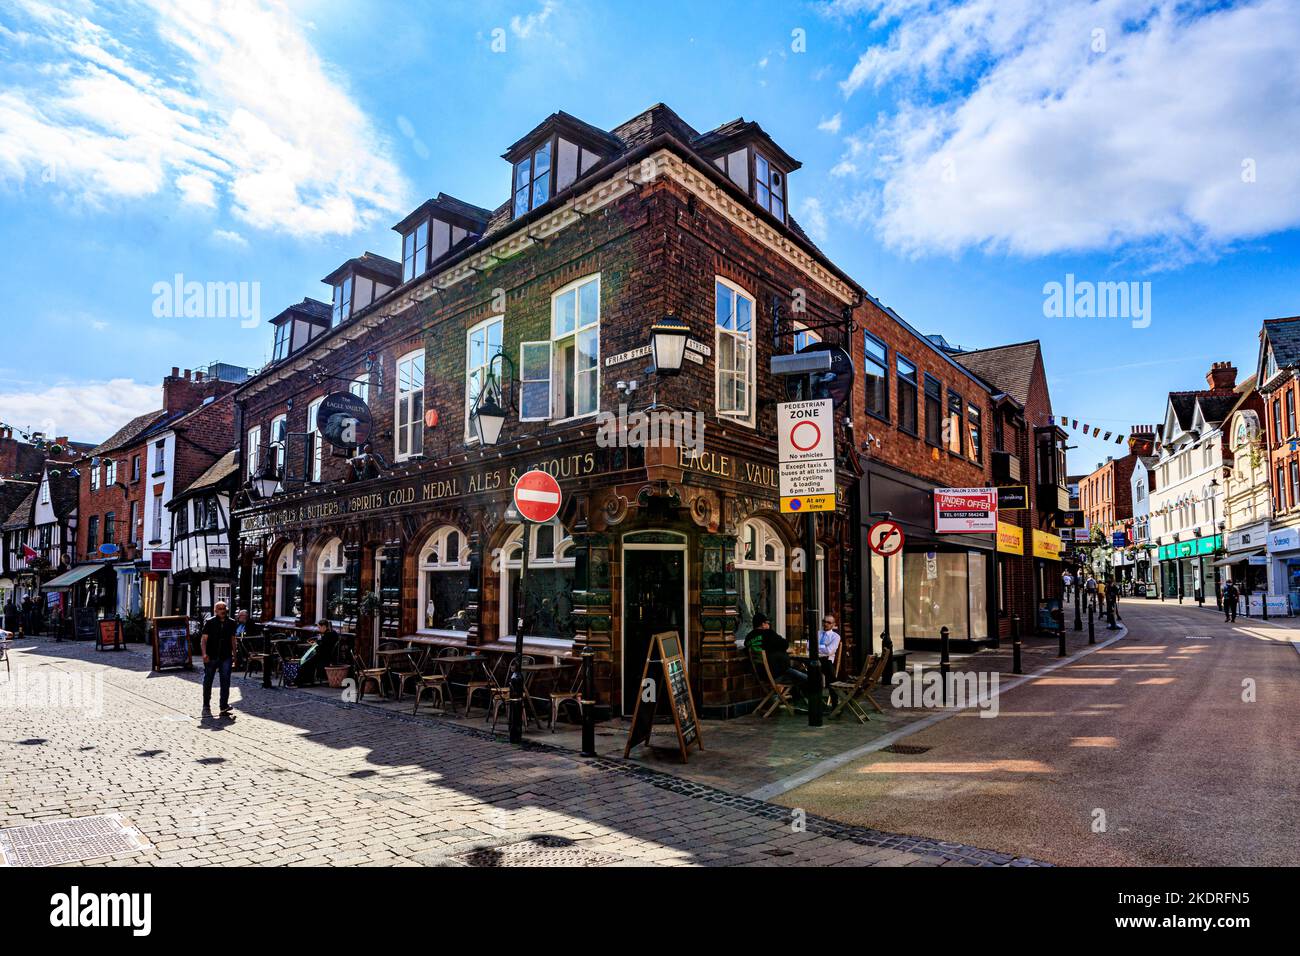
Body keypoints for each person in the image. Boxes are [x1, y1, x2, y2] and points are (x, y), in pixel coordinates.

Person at [745, 612, 808, 701]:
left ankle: (797, 699)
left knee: (798, 670)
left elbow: (766, 647)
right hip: (778, 675)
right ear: (763, 624)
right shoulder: (768, 633)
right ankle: (813, 704)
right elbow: (784, 644)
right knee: (810, 677)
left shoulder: (748, 637)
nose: (769, 625)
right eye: (767, 623)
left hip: (762, 674)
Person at [200, 601, 238, 718]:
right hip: (211, 655)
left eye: (224, 608)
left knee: (225, 681)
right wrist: (204, 654)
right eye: (220, 608)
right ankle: (206, 705)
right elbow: (204, 639)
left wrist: (234, 655)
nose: (222, 610)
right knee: (208, 680)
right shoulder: (210, 622)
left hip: (225, 655)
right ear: (215, 611)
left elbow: (233, 639)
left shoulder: (231, 623)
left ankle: (224, 706)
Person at [297, 620, 339, 686]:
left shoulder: (328, 635)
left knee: (307, 661)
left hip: (325, 656)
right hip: (326, 654)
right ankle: (307, 680)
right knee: (308, 660)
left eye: (319, 627)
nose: (319, 629)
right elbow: (323, 644)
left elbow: (323, 647)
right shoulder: (332, 633)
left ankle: (303, 681)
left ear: (324, 626)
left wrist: (316, 646)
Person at [817, 615, 842, 708]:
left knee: (830, 675)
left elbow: (829, 651)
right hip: (814, 660)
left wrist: (818, 647)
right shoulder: (818, 633)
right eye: (824, 621)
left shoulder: (835, 636)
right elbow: (808, 646)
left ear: (833, 624)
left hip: (827, 661)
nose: (826, 624)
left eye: (829, 622)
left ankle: (835, 702)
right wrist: (824, 647)